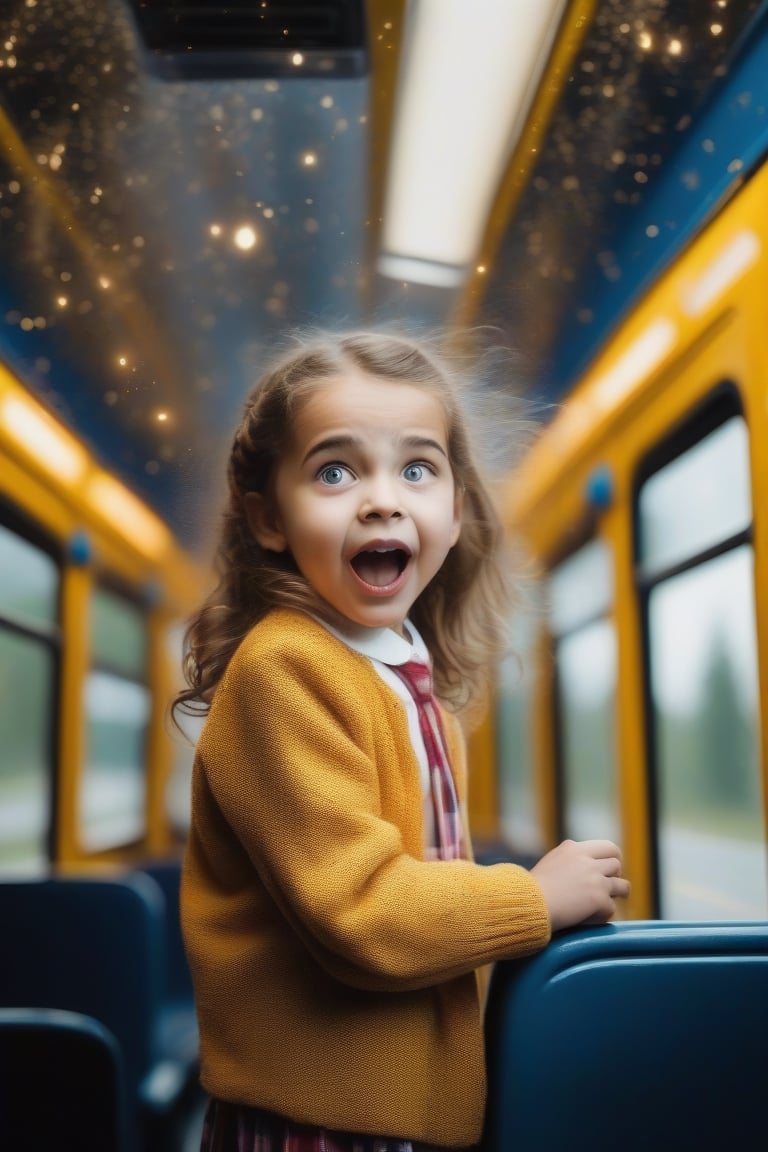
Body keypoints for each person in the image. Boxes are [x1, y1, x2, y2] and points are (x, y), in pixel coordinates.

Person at [174, 330, 630, 1152]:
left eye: (417, 469)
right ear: (269, 519)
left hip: (400, 1111)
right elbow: (362, 913)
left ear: (454, 513)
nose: (382, 499)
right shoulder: (285, 672)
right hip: (315, 1123)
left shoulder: (414, 685)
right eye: (336, 471)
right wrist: (533, 898)